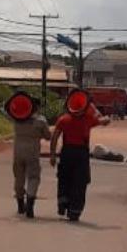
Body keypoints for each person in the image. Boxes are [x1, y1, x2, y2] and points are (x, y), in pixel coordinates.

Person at [49, 92, 111, 222]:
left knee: (64, 179)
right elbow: (103, 121)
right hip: (81, 154)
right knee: (80, 182)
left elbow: (55, 137)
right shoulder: (88, 119)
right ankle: (74, 212)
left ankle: (62, 205)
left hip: (66, 152)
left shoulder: (63, 119)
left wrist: (53, 155)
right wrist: (106, 118)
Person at [7, 95, 51, 218]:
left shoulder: (17, 118)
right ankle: (30, 203)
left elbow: (8, 109)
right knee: (33, 178)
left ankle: (20, 205)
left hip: (18, 153)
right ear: (38, 107)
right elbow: (48, 136)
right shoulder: (41, 121)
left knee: (19, 178)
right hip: (32, 153)